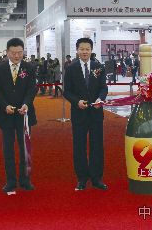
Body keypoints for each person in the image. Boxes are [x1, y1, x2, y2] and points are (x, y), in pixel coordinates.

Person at [0, 38, 37, 194]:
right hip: (7, 115)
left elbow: (32, 89)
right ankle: (10, 181)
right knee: (8, 149)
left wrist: (26, 104)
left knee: (25, 148)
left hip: (24, 114)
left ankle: (25, 180)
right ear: (7, 52)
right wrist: (4, 105)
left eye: (20, 52)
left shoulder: (29, 68)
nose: (17, 56)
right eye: (13, 53)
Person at [63, 37, 109, 191]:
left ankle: (97, 178)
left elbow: (103, 87)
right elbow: (67, 91)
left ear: (91, 50)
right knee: (79, 146)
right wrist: (77, 102)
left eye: (87, 49)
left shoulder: (98, 67)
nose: (84, 52)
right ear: (77, 50)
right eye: (81, 49)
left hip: (96, 113)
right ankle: (82, 178)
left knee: (97, 146)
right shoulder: (71, 68)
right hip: (79, 113)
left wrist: (100, 99)